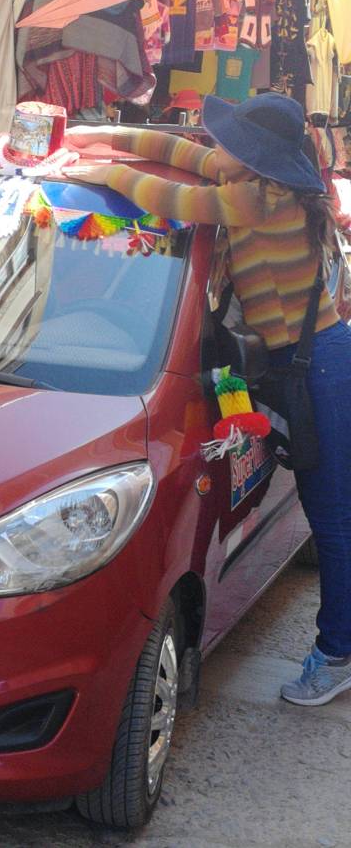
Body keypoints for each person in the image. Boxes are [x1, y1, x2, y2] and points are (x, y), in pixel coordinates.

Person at [64, 92, 351, 707]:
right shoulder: (249, 180)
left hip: (320, 367)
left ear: (255, 153)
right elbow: (176, 152)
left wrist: (100, 172)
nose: (215, 145)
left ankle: (337, 653)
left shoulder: (257, 198)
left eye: (229, 139)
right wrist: (93, 138)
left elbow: (166, 197)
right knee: (332, 513)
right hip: (305, 363)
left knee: (333, 519)